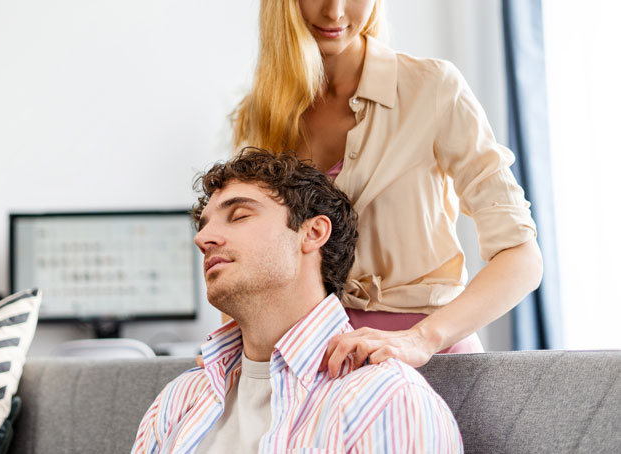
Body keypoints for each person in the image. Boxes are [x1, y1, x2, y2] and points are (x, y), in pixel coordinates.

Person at [229, 0, 543, 372]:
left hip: (432, 364)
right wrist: (234, 343)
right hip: (316, 369)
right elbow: (250, 261)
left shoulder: (434, 88)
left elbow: (522, 258)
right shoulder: (260, 114)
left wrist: (421, 338)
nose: (335, 11)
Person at [131, 150, 462, 453]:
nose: (202, 239)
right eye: (204, 226)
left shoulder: (387, 400)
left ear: (313, 233)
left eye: (240, 215)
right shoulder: (177, 401)